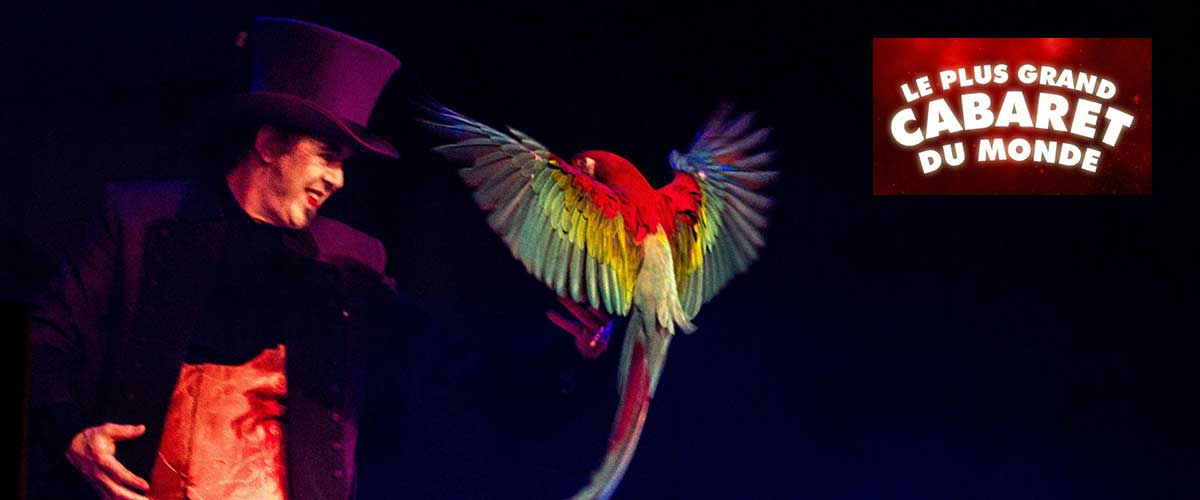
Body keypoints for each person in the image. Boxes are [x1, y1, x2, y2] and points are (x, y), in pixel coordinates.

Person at [27, 17, 418, 500]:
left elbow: (423, 371)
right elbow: (46, 339)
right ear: (269, 144)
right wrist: (71, 432)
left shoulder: (350, 258)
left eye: (343, 164)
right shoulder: (138, 221)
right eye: (326, 155)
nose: (338, 180)